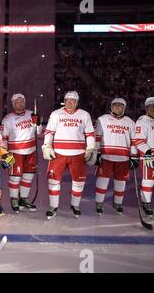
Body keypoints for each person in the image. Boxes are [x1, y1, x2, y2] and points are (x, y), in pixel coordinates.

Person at [42, 91, 96, 219]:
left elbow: (90, 134)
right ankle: (53, 206)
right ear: (64, 101)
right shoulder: (56, 114)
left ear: (77, 102)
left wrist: (91, 148)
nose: (70, 102)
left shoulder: (84, 115)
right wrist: (46, 145)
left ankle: (75, 205)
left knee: (78, 182)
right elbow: (49, 131)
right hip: (58, 153)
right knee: (53, 180)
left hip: (78, 154)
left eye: (73, 100)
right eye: (67, 100)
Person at [93, 98, 137, 215]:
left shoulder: (130, 122)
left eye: (120, 105)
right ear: (111, 106)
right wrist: (96, 153)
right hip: (106, 156)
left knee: (120, 182)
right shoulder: (102, 119)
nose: (118, 107)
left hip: (123, 158)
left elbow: (134, 140)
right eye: (115, 105)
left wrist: (134, 156)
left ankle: (118, 203)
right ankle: (99, 202)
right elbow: (97, 137)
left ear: (124, 107)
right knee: (102, 180)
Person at [1, 93, 42, 213]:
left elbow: (38, 132)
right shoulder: (8, 119)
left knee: (28, 177)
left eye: (22, 101)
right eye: (17, 102)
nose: (20, 104)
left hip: (31, 151)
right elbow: (3, 138)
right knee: (15, 178)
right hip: (15, 152)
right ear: (13, 104)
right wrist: (4, 154)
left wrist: (37, 122)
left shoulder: (31, 114)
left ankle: (24, 199)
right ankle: (14, 199)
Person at [134, 96, 154, 217]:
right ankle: (146, 203)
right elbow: (138, 141)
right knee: (149, 181)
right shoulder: (142, 120)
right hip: (150, 156)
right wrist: (148, 152)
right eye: (150, 106)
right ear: (146, 108)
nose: (153, 108)